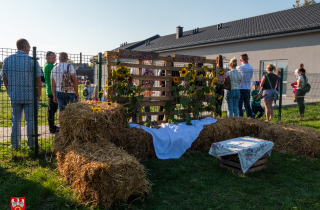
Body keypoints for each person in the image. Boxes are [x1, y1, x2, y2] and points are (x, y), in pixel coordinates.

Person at [1, 38, 43, 149]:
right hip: (30, 96)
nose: (29, 49)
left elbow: (4, 77)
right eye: (29, 47)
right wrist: (39, 95)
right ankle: (32, 144)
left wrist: (8, 90)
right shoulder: (32, 60)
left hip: (14, 95)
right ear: (25, 47)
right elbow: (38, 79)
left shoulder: (7, 59)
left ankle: (15, 144)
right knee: (31, 120)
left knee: (16, 120)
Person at [51, 52, 79, 119]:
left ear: (59, 58)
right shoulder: (70, 67)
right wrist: (77, 93)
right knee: (73, 111)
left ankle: (62, 126)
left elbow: (53, 84)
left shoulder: (54, 69)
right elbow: (74, 81)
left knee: (61, 111)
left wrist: (54, 95)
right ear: (67, 58)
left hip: (59, 92)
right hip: (69, 92)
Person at [43, 51, 59, 134]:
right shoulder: (50, 66)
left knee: (52, 110)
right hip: (52, 90)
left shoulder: (46, 65)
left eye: (55, 57)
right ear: (47, 58)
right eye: (53, 57)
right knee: (52, 110)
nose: (55, 59)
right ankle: (52, 128)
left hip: (49, 90)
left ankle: (52, 126)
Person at [237, 54, 253, 118]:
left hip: (240, 88)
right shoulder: (251, 67)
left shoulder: (239, 68)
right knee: (247, 105)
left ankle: (241, 119)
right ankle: (250, 118)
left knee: (239, 106)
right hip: (247, 88)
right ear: (248, 59)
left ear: (241, 60)